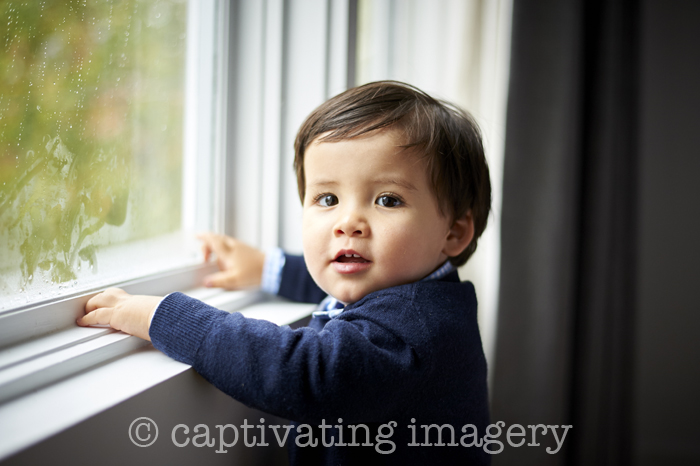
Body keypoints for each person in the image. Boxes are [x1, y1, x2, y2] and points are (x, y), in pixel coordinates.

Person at [78, 81, 492, 464]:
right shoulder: (417, 295)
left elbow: (303, 372)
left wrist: (166, 318)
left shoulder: (413, 333)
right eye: (327, 197)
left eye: (387, 199)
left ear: (453, 232)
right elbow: (336, 284)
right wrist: (267, 269)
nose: (347, 222)